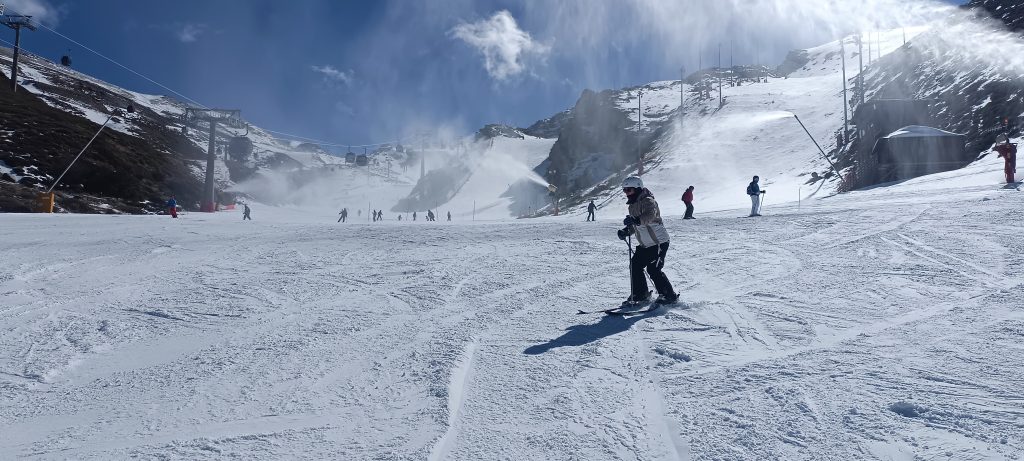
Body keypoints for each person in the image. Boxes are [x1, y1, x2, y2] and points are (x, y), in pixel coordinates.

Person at [616, 176, 679, 305]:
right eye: (625, 191)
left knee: (653, 269)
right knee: (635, 265)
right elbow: (636, 225)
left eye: (629, 190)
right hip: (645, 245)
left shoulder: (649, 201)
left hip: (659, 242)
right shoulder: (632, 206)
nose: (627, 193)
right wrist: (626, 231)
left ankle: (669, 296)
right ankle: (641, 293)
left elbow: (650, 216)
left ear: (638, 188)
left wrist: (636, 220)